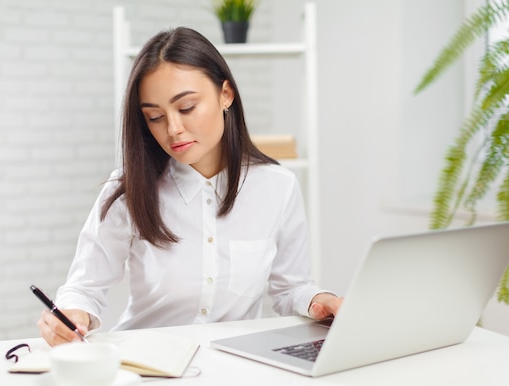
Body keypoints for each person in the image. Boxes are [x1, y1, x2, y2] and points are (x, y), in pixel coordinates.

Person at [38, 26, 342, 346]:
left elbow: (290, 288)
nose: (173, 129)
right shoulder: (129, 190)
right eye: (155, 117)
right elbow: (84, 287)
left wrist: (321, 301)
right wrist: (72, 315)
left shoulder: (278, 186)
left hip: (235, 366)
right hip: (147, 362)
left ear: (226, 94)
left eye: (186, 108)